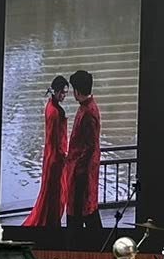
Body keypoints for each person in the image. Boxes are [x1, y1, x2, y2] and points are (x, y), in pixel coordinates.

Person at [20, 76, 70, 228]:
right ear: (56, 91)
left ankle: (50, 222)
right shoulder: (55, 112)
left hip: (50, 156)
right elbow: (56, 139)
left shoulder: (50, 106)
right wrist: (64, 156)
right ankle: (52, 223)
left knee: (50, 194)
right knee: (55, 195)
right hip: (56, 159)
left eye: (66, 93)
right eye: (62, 92)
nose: (64, 95)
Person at [64, 69, 103, 230]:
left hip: (81, 172)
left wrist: (77, 169)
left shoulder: (88, 112)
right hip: (80, 169)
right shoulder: (88, 107)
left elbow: (90, 146)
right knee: (85, 210)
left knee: (82, 210)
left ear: (77, 91)